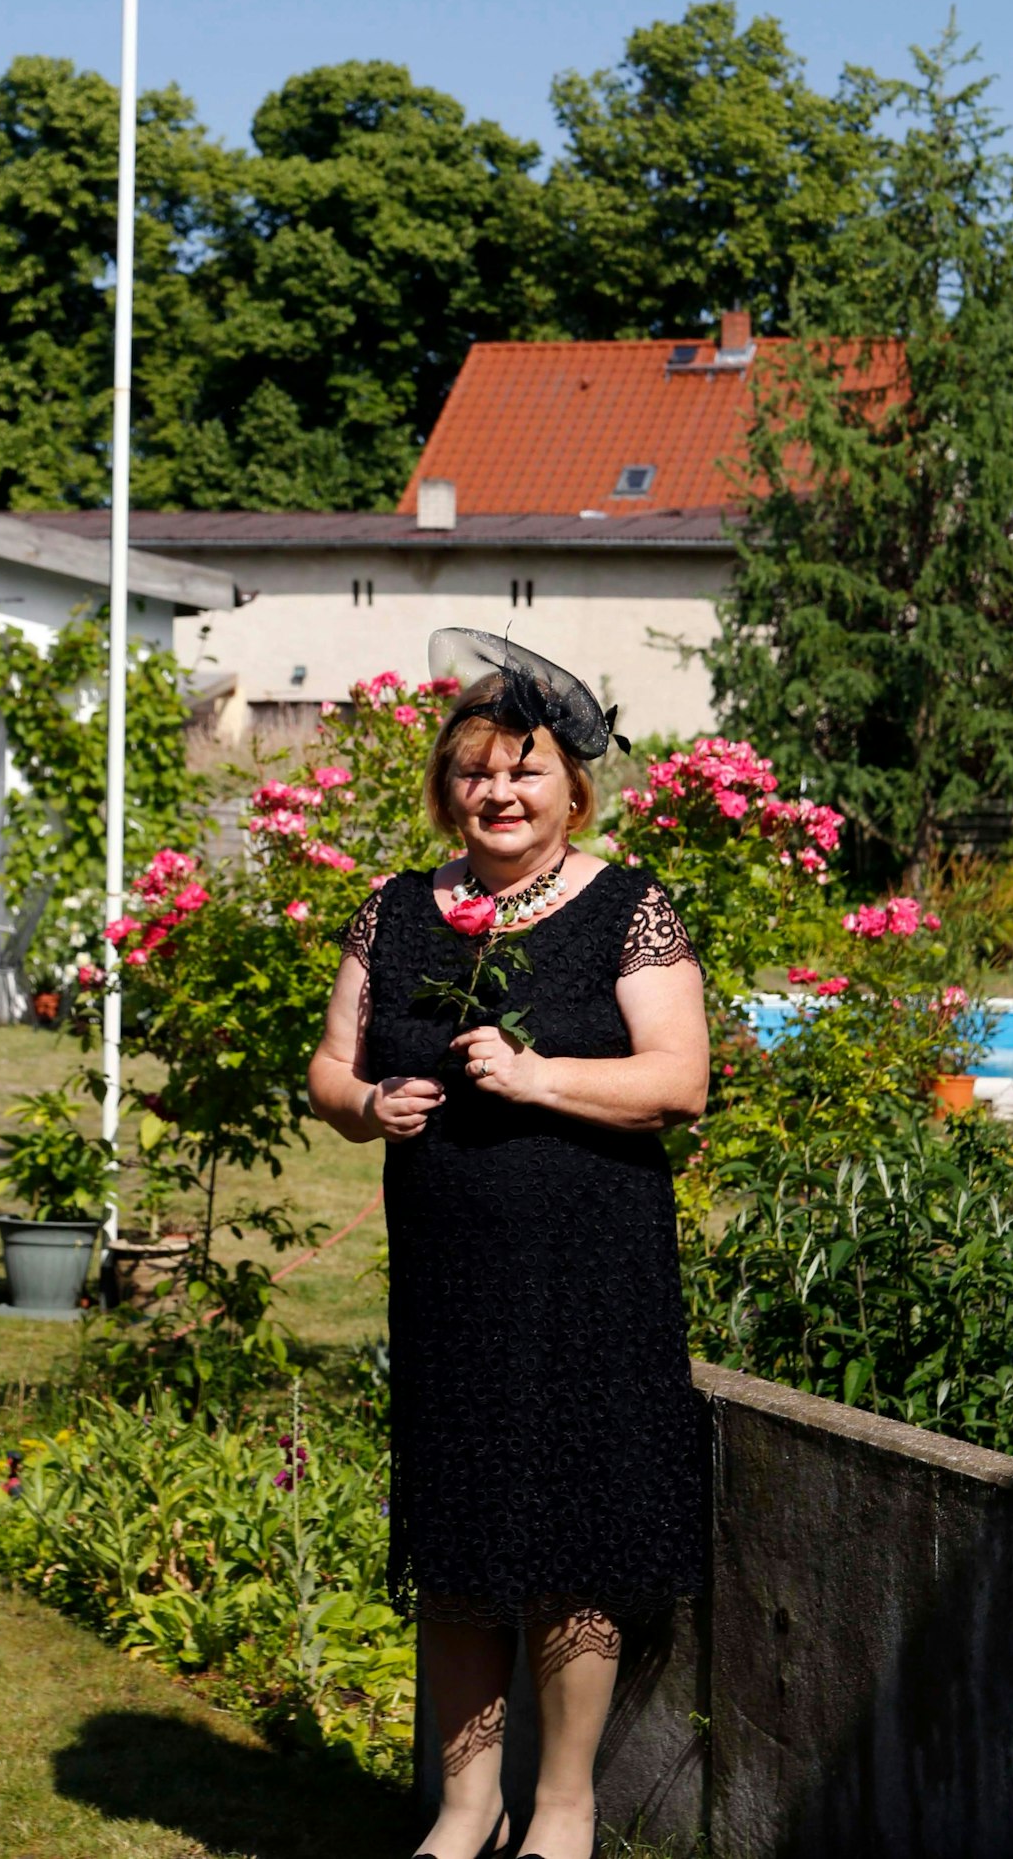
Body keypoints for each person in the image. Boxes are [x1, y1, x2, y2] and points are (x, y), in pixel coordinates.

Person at [307, 630, 708, 1859]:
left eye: (524, 773)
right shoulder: (397, 909)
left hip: (591, 1273)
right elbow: (328, 1066)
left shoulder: (629, 909)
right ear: (447, 786)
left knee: (573, 1534)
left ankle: (565, 1809)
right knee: (461, 1531)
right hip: (450, 1279)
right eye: (476, 771)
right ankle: (464, 1803)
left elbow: (679, 1081)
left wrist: (537, 1079)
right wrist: (368, 1103)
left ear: (569, 789)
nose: (499, 792)